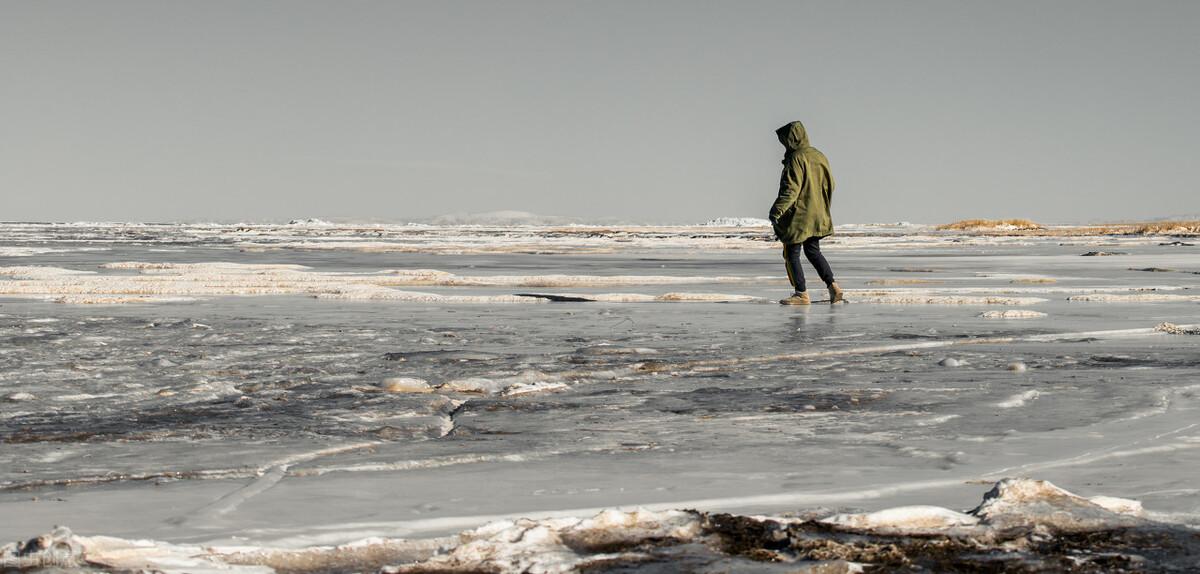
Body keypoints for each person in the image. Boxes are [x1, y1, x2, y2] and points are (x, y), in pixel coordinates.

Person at [768, 121, 843, 305]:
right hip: (818, 213)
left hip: (799, 215)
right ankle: (833, 287)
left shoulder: (796, 159)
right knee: (813, 251)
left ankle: (801, 293)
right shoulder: (819, 156)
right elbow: (831, 184)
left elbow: (791, 190)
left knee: (791, 252)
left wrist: (776, 211)